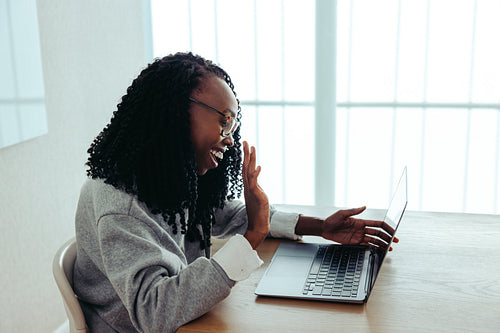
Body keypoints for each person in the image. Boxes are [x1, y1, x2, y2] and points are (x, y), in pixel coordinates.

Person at [74, 52, 397, 332]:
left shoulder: (161, 175)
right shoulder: (122, 206)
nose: (229, 139)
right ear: (174, 112)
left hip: (189, 318)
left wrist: (319, 227)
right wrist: (254, 236)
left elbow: (225, 215)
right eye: (223, 121)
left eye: (233, 126)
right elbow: (154, 315)